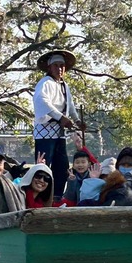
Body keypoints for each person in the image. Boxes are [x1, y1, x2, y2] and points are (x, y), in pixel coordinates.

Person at [33, 49, 85, 199]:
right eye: (56, 65)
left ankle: (56, 196)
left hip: (59, 133)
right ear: (49, 67)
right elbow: (42, 101)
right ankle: (39, 197)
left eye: (62, 66)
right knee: (43, 166)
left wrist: (76, 120)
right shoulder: (45, 83)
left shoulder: (64, 85)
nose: (59, 69)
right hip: (45, 132)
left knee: (61, 166)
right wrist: (60, 117)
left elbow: (70, 105)